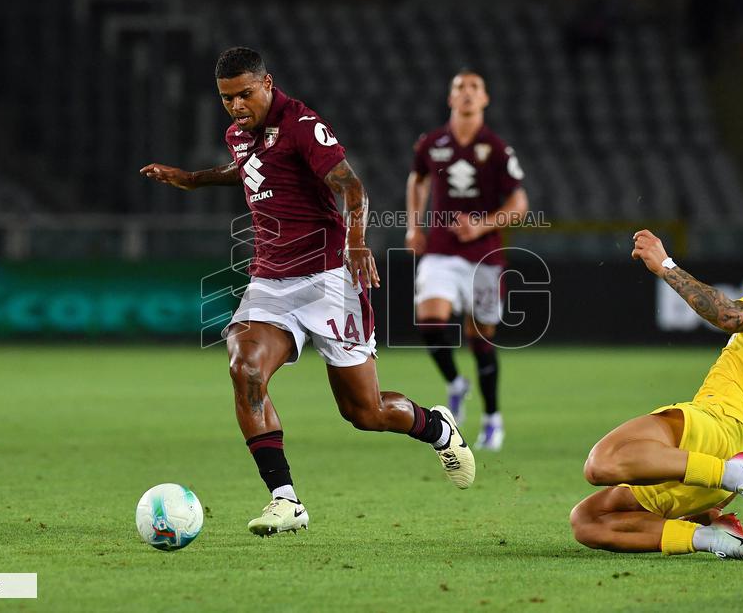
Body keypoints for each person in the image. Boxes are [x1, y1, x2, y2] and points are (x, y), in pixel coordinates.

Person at [141, 47, 475, 536]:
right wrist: (194, 179)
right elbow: (252, 168)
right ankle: (285, 499)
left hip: (328, 281)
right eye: (226, 98)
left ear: (268, 83)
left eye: (245, 95)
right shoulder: (239, 133)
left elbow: (351, 186)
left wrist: (356, 242)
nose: (236, 107)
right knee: (245, 368)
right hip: (269, 281)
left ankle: (437, 427)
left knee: (366, 412)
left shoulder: (302, 123)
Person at [570, 227, 743, 561]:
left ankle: (735, 475)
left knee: (603, 462)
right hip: (719, 468)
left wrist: (665, 265)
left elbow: (728, 315)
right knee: (588, 521)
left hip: (717, 431)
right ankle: (712, 537)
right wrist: (713, 505)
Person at [405, 70, 529, 451]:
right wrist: (413, 226)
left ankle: (492, 417)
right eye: (460, 87)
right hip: (441, 251)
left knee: (481, 339)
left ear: (485, 99)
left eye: (474, 88)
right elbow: (417, 179)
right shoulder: (432, 143)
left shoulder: (497, 148)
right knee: (429, 318)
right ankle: (456, 383)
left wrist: (482, 226)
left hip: (484, 257)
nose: (467, 94)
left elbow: (520, 205)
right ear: (450, 99)